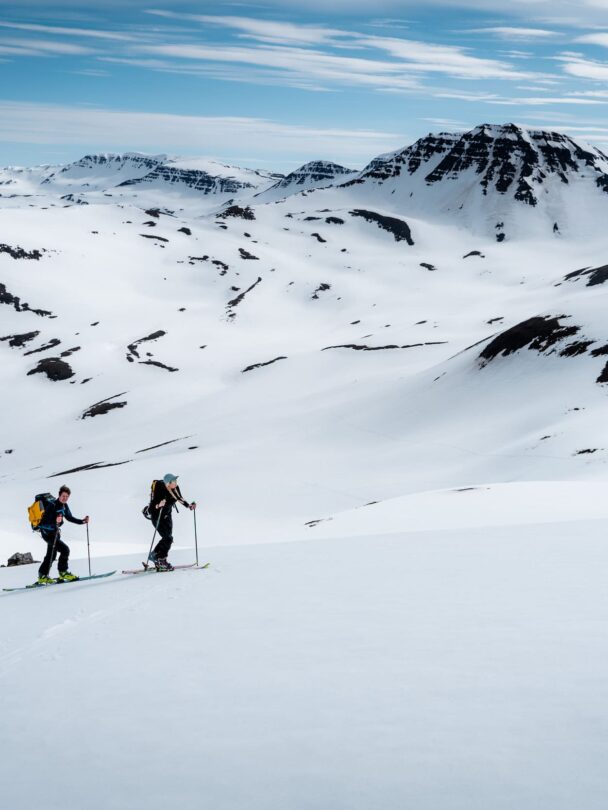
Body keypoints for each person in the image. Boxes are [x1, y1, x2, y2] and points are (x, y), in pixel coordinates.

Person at [37, 485, 90, 585]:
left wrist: (82, 521)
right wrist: (55, 521)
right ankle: (63, 572)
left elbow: (70, 518)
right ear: (59, 495)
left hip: (55, 533)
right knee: (65, 550)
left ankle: (42, 576)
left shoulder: (64, 506)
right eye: (63, 496)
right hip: (47, 533)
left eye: (67, 496)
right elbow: (43, 522)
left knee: (51, 555)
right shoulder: (52, 505)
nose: (65, 498)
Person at [148, 474, 196, 570]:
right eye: (174, 481)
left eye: (176, 481)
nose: (176, 483)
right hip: (157, 516)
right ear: (168, 483)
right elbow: (150, 509)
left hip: (167, 516)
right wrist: (158, 505)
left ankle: (155, 555)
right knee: (168, 538)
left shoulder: (175, 488)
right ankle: (160, 559)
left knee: (168, 538)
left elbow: (179, 498)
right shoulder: (161, 490)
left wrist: (189, 506)